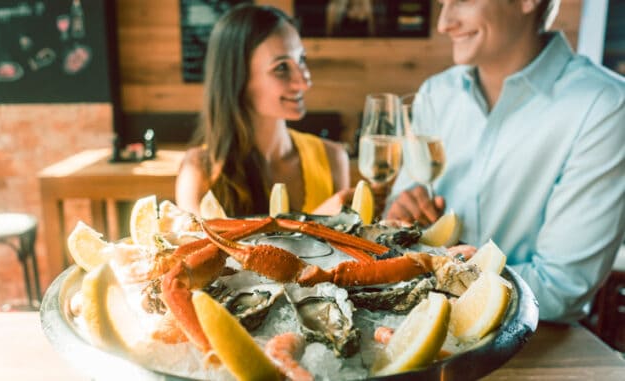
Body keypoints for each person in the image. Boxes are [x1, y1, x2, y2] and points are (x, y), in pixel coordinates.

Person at [385, 0, 625, 322]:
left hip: (536, 347)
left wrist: (425, 275)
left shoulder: (604, 107)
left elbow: (559, 289)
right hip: (415, 325)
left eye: (462, 1)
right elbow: (393, 228)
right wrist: (401, 218)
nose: (443, 24)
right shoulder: (436, 93)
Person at [176, 4, 357, 217]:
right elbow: (196, 248)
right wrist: (319, 221)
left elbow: (342, 250)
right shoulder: (199, 169)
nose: (304, 82)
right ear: (238, 79)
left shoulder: (332, 158)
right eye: (281, 67)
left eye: (301, 60)